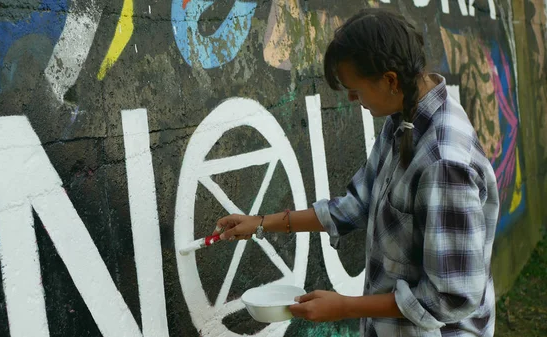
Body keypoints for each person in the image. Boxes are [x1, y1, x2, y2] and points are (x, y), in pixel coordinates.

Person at [212, 7, 499, 337]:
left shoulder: (445, 163)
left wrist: (345, 306)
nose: (351, 98)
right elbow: (354, 206)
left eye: (356, 89)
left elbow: (450, 298)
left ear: (390, 79)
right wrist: (261, 224)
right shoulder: (403, 118)